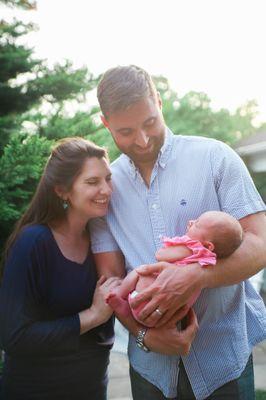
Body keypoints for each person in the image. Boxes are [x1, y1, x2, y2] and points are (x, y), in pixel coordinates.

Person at [90, 65, 266, 400]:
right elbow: (111, 278)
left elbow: (260, 246)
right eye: (126, 131)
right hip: (150, 368)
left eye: (149, 123)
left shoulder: (216, 158)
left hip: (223, 359)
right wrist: (144, 335)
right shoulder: (106, 189)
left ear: (157, 100)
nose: (141, 140)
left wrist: (196, 276)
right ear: (105, 123)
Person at [0, 137, 122, 400]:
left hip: (92, 388)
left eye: (108, 178)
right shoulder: (33, 243)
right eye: (92, 182)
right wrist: (92, 316)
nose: (107, 189)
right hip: (36, 390)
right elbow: (14, 336)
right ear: (62, 190)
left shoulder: (101, 241)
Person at [106, 211, 243, 327]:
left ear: (208, 246)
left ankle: (120, 294)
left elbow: (161, 255)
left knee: (140, 270)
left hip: (148, 297)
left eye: (197, 224)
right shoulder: (209, 261)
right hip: (168, 314)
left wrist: (179, 247)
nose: (191, 222)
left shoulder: (192, 249)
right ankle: (127, 308)